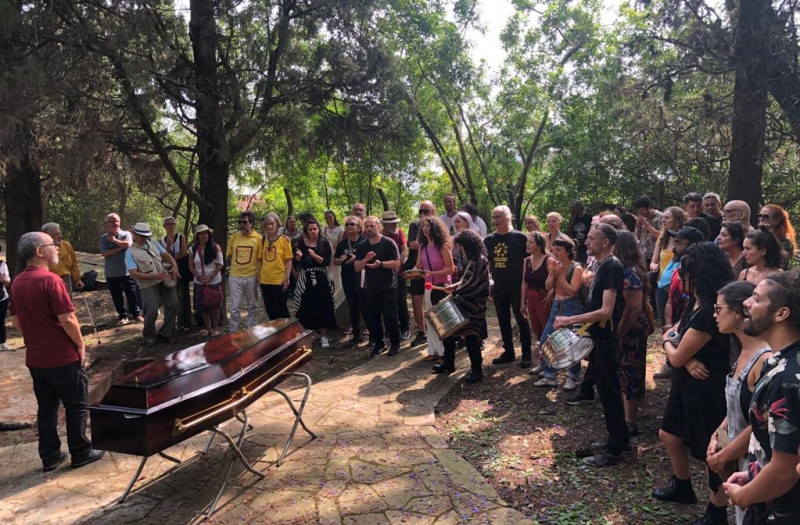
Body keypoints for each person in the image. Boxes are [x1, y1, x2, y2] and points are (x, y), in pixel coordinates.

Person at [9, 231, 104, 472]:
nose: (58, 248)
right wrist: (80, 345)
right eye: (53, 245)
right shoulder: (51, 281)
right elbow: (68, 319)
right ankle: (81, 452)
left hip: (36, 360)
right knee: (77, 404)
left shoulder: (17, 282)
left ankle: (50, 456)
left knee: (47, 408)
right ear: (40, 251)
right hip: (62, 358)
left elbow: (16, 323)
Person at [652, 243, 733, 510]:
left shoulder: (710, 311)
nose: (679, 276)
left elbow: (674, 350)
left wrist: (667, 342)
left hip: (706, 388)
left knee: (710, 451)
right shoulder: (694, 304)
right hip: (687, 382)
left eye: (683, 271)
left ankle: (716, 511)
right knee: (669, 435)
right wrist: (685, 360)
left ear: (696, 273)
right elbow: (678, 336)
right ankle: (683, 486)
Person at [723, 270, 800, 524]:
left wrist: (745, 495)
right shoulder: (780, 360)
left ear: (781, 313)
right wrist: (756, 475)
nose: (746, 303)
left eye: (756, 298)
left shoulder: (787, 379)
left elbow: (786, 468)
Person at [554, 223, 630, 467]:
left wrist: (570, 319)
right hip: (598, 339)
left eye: (591, 238)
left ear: (605, 242)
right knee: (607, 393)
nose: (586, 242)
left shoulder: (612, 266)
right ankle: (619, 439)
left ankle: (615, 451)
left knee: (609, 395)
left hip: (607, 341)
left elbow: (606, 310)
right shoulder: (601, 265)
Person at [704, 281, 771, 525]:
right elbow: (736, 407)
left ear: (738, 313)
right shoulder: (740, 350)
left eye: (718, 308)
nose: (714, 314)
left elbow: (760, 422)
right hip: (737, 459)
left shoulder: (764, 359)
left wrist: (725, 456)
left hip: (755, 462)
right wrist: (717, 434)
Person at [435, 230, 491, 382]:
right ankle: (448, 363)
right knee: (449, 331)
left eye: (462, 247)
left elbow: (473, 285)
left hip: (474, 305)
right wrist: (454, 286)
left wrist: (454, 293)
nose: (461, 250)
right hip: (465, 303)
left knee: (471, 338)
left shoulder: (480, 260)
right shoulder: (472, 260)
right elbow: (466, 280)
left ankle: (477, 371)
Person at [484, 205, 534, 367]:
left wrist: (528, 284)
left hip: (518, 288)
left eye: (499, 216)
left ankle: (526, 354)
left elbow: (530, 261)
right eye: (494, 217)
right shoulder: (489, 240)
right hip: (499, 287)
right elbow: (489, 264)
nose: (495, 220)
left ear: (508, 217)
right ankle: (509, 352)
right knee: (503, 320)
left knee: (521, 319)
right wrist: (490, 284)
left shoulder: (520, 238)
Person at [615, 230, 651, 436]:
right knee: (625, 370)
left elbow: (633, 308)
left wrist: (619, 333)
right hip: (627, 326)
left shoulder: (630, 273)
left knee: (630, 371)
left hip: (631, 329)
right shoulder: (627, 269)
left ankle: (630, 421)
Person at [535, 238, 584, 389]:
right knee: (545, 342)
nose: (555, 253)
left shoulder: (576, 268)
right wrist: (552, 275)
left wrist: (560, 276)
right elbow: (548, 286)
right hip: (557, 307)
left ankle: (572, 377)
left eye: (559, 250)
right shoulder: (555, 265)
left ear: (568, 252)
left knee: (572, 344)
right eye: (554, 249)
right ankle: (550, 375)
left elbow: (572, 291)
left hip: (572, 307)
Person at [126, 222, 181, 345]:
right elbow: (133, 274)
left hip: (164, 279)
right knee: (152, 310)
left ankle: (165, 333)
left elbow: (166, 255)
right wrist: (154, 276)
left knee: (174, 303)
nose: (143, 238)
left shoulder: (153, 242)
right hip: (148, 284)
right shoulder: (130, 252)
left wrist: (175, 266)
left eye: (145, 236)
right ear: (134, 234)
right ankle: (149, 336)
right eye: (141, 236)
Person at [355, 216, 402, 356]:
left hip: (389, 286)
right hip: (371, 287)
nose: (369, 228)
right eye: (367, 226)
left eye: (372, 226)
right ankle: (380, 344)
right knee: (373, 317)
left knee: (390, 316)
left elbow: (397, 263)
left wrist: (381, 264)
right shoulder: (362, 245)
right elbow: (357, 267)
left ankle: (395, 343)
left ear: (378, 226)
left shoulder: (388, 243)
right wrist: (365, 260)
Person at [415, 216, 454, 362]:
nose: (425, 229)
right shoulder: (422, 247)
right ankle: (433, 350)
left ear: (435, 228)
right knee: (430, 319)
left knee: (442, 320)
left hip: (442, 287)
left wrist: (432, 274)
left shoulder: (442, 246)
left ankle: (444, 352)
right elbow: (418, 266)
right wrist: (412, 273)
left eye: (428, 226)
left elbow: (451, 269)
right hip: (428, 287)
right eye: (423, 226)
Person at [293, 218, 337, 348]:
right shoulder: (300, 244)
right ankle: (308, 337)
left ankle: (324, 337)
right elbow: (297, 263)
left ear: (318, 229)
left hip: (321, 277)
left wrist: (314, 256)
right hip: (306, 278)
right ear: (306, 231)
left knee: (325, 305)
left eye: (315, 229)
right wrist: (298, 258)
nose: (313, 231)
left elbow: (327, 262)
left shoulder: (324, 243)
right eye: (310, 229)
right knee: (305, 306)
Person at [99, 213, 142, 324]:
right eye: (112, 221)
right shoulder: (103, 238)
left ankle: (136, 314)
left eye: (117, 221)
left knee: (132, 293)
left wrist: (114, 241)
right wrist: (120, 247)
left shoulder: (126, 234)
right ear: (107, 224)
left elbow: (128, 245)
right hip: (111, 273)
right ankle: (123, 316)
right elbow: (106, 253)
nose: (115, 223)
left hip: (128, 271)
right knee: (117, 296)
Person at [521, 232, 552, 376]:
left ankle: (550, 366)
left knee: (547, 333)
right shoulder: (527, 260)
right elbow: (524, 283)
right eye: (527, 241)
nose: (527, 244)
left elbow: (556, 280)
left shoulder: (548, 259)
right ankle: (543, 362)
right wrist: (523, 303)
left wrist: (551, 293)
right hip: (531, 299)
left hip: (544, 299)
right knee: (538, 333)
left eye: (531, 242)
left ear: (539, 245)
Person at [227, 211, 262, 333]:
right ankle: (233, 333)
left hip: (252, 277)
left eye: (245, 222)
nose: (242, 224)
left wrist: (257, 276)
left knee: (252, 306)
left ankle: (251, 331)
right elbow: (230, 256)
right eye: (240, 222)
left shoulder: (259, 239)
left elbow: (260, 259)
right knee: (235, 307)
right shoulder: (234, 237)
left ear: (251, 223)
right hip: (235, 276)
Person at [405, 202, 434, 346]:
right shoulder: (414, 225)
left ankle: (436, 332)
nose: (423, 214)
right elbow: (411, 244)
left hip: (433, 269)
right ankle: (421, 332)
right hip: (417, 268)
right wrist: (427, 242)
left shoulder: (438, 226)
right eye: (420, 211)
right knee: (416, 300)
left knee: (434, 301)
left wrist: (423, 242)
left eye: (426, 211)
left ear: (432, 211)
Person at [651, 207, 686, 325]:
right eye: (662, 218)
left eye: (667, 218)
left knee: (677, 322)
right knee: (664, 322)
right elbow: (653, 261)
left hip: (679, 286)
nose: (663, 220)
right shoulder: (662, 237)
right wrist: (653, 266)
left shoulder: (685, 238)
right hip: (662, 285)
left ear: (677, 219)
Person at [335, 216, 365, 346]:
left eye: (352, 224)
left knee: (365, 306)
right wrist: (341, 260)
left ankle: (374, 336)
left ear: (359, 227)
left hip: (362, 278)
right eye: (347, 224)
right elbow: (335, 261)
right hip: (347, 278)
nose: (348, 227)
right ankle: (356, 336)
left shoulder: (365, 241)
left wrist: (357, 258)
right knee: (352, 307)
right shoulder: (343, 243)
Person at [158, 217, 193, 332]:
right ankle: (172, 323)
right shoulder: (161, 241)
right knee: (172, 297)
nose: (170, 226)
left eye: (172, 224)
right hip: (168, 271)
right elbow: (162, 257)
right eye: (168, 224)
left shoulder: (181, 237)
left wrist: (171, 259)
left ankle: (186, 322)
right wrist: (168, 246)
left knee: (184, 295)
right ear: (164, 226)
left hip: (182, 269)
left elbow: (184, 253)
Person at [189, 225, 224, 337]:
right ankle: (207, 327)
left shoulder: (215, 247)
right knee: (203, 306)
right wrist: (199, 277)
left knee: (215, 306)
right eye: (202, 233)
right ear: (198, 236)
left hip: (214, 281)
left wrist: (210, 277)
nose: (205, 235)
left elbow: (220, 264)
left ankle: (216, 327)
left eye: (206, 233)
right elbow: (191, 266)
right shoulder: (193, 250)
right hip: (199, 281)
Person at [381, 211, 410, 340]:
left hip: (398, 273)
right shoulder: (380, 235)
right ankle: (389, 330)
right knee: (386, 303)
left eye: (395, 223)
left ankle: (405, 328)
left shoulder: (399, 233)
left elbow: (404, 249)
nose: (394, 225)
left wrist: (399, 263)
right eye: (391, 223)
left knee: (401, 301)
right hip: (384, 274)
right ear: (384, 225)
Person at [259, 212, 293, 321]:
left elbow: (289, 261)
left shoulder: (284, 240)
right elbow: (260, 260)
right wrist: (258, 277)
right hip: (265, 280)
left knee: (281, 309)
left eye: (272, 224)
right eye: (267, 224)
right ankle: (275, 335)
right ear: (264, 226)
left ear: (277, 224)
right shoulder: (262, 240)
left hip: (279, 280)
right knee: (271, 310)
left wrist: (287, 279)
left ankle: (287, 334)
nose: (270, 226)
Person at [41, 222, 84, 295]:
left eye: (60, 233)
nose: (60, 236)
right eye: (56, 234)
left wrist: (77, 279)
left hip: (66, 279)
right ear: (47, 236)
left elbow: (74, 263)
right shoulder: (41, 250)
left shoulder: (67, 245)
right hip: (50, 281)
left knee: (68, 303)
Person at [757, 204, 796, 268]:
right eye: (760, 216)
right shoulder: (757, 236)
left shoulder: (785, 241)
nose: (761, 219)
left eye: (766, 217)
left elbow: (782, 263)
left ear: (776, 221)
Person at [634, 196, 663, 265]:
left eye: (642, 210)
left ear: (649, 207)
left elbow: (660, 236)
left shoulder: (661, 217)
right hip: (642, 255)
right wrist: (639, 225)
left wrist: (645, 223)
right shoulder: (642, 217)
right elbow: (637, 237)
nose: (640, 212)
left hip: (655, 256)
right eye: (639, 210)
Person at [322, 210, 344, 293]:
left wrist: (330, 247)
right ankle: (328, 293)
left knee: (336, 275)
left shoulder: (340, 228)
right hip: (326, 254)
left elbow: (339, 242)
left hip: (335, 253)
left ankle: (338, 293)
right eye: (327, 218)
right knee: (327, 273)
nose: (329, 219)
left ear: (334, 217)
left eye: (330, 217)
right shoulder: (324, 229)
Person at [0, 245, 12, 351]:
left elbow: (7, 282)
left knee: (1, 321)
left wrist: (4, 280)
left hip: (2, 298)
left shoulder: (2, 265)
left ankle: (2, 343)